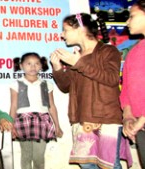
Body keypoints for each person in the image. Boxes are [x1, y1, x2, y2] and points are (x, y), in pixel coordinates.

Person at [50, 13, 132, 169]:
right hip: (81, 118)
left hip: (106, 118)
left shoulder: (108, 51)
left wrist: (78, 63)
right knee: (87, 165)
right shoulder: (77, 56)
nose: (62, 34)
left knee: (109, 165)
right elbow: (65, 87)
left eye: (65, 30)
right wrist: (58, 68)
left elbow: (111, 78)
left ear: (80, 29)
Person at [10, 52, 63, 169]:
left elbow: (52, 106)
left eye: (36, 64)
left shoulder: (46, 84)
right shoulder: (16, 84)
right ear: (21, 66)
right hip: (23, 122)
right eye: (29, 64)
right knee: (26, 156)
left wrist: (57, 126)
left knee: (39, 156)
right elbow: (13, 106)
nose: (33, 67)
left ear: (41, 66)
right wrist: (11, 125)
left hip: (42, 122)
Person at [120, 0, 145, 168]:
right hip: (140, 128)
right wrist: (128, 116)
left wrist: (141, 120)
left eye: (132, 16)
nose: (127, 22)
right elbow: (126, 89)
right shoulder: (134, 52)